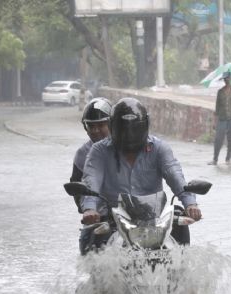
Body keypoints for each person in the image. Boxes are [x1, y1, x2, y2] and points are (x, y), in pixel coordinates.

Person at [80, 97, 202, 253]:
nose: (130, 136)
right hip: (113, 219)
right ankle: (97, 276)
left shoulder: (159, 148)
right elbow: (91, 181)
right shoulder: (99, 151)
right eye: (124, 131)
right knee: (89, 238)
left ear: (145, 126)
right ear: (114, 127)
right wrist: (90, 209)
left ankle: (182, 269)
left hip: (154, 219)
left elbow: (175, 175)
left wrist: (190, 204)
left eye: (134, 130)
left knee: (180, 225)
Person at [71, 97, 112, 214]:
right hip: (98, 216)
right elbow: (77, 188)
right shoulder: (82, 154)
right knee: (89, 233)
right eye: (91, 126)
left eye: (100, 125)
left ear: (112, 124)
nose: (95, 130)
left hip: (128, 213)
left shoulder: (125, 149)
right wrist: (88, 209)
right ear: (85, 127)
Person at [210, 71, 231, 165]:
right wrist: (215, 122)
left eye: (227, 78)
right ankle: (215, 159)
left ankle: (228, 159)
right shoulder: (220, 92)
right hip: (222, 119)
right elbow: (217, 108)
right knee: (218, 139)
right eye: (224, 79)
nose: (226, 80)